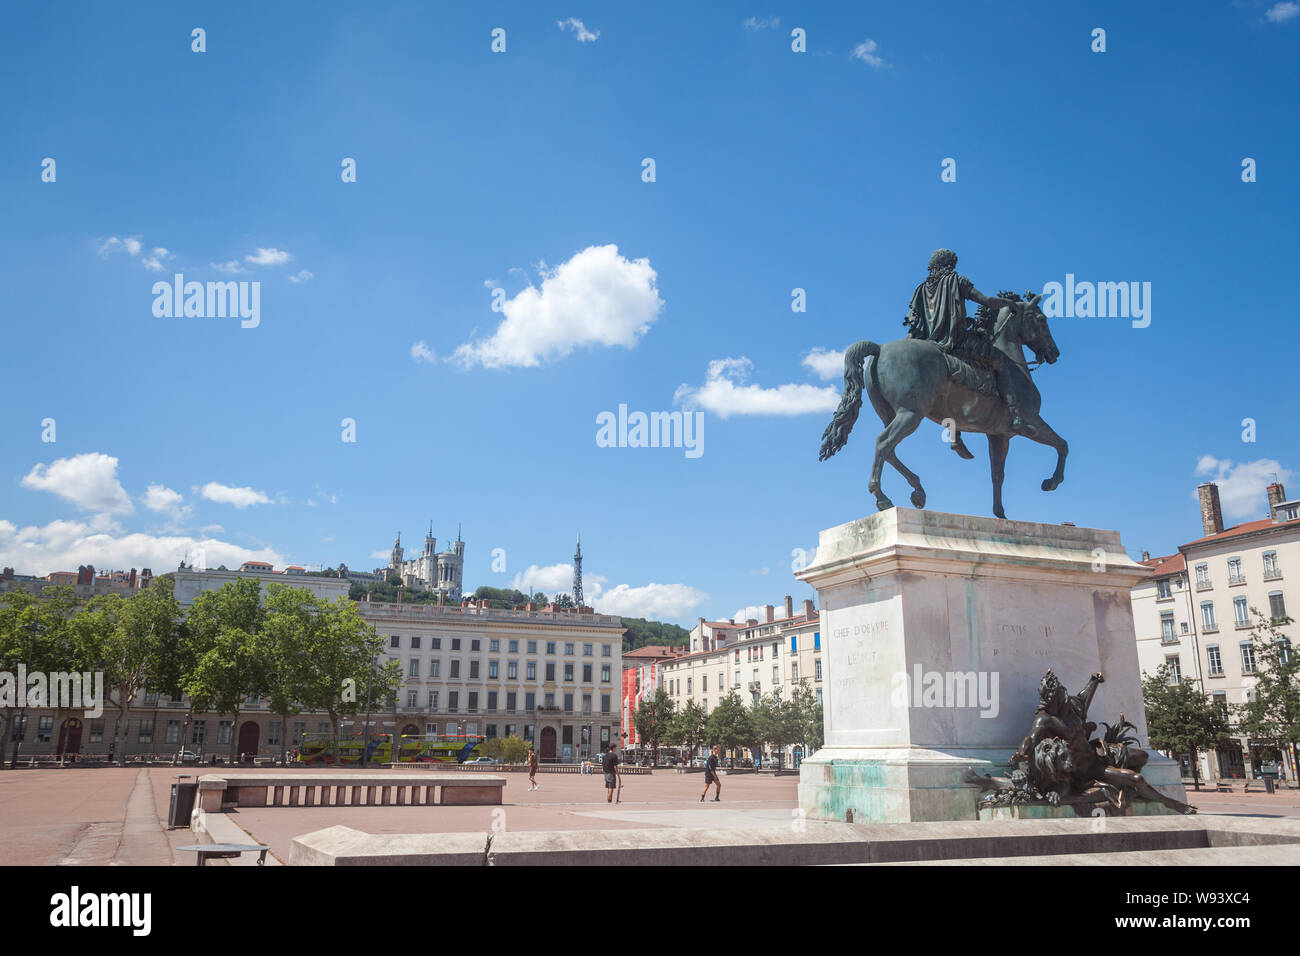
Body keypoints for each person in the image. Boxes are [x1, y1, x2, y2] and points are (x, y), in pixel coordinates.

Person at [903, 248, 1034, 436]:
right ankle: (1015, 416)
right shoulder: (957, 281)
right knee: (1000, 361)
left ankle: (955, 429)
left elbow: (913, 320)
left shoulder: (920, 289)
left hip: (927, 340)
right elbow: (987, 301)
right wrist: (1009, 304)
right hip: (955, 340)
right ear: (950, 264)